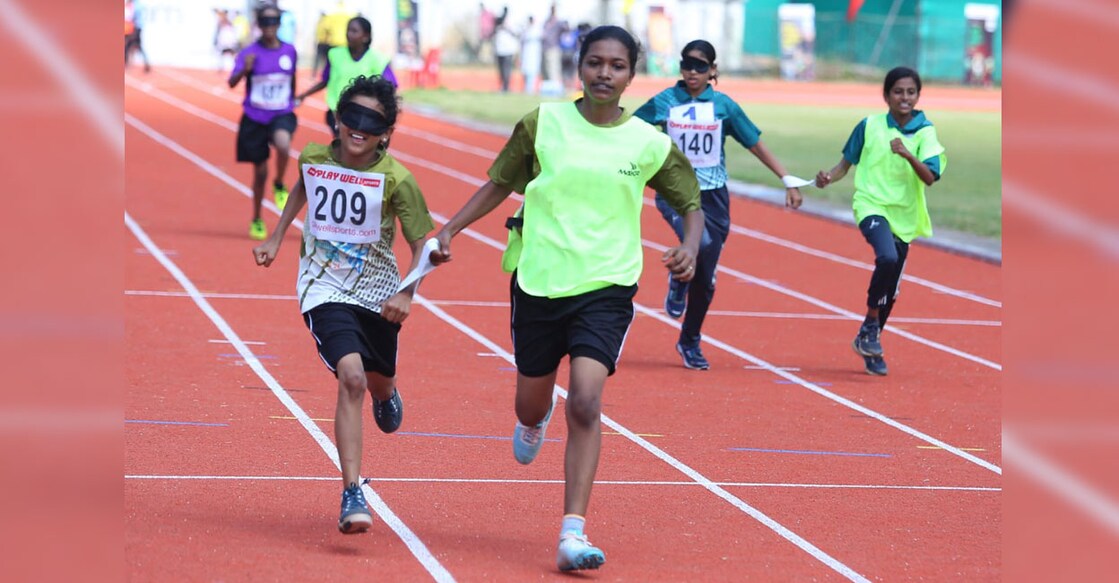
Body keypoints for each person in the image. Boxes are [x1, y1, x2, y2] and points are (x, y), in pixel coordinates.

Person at [429, 25, 703, 572]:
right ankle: (534, 419)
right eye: (595, 63)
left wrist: (690, 245)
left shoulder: (647, 142)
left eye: (617, 65)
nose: (605, 73)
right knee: (532, 403)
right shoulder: (543, 123)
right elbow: (500, 183)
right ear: (579, 67)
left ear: (632, 73)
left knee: (584, 400)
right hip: (539, 279)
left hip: (607, 285)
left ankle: (572, 534)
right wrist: (450, 229)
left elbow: (689, 199)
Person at [253, 75, 436, 533]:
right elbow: (303, 187)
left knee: (376, 379)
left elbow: (423, 245)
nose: (358, 128)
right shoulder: (314, 156)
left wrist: (406, 292)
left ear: (387, 132)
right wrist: (277, 237)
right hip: (322, 287)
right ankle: (352, 491)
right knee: (350, 377)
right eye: (350, 116)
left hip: (378, 292)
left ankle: (387, 392)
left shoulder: (397, 179)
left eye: (371, 122)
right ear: (336, 118)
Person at [634, 40, 803, 370]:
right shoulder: (665, 101)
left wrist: (786, 178)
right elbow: (629, 130)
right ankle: (682, 276)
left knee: (707, 278)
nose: (692, 72)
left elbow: (754, 144)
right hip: (675, 192)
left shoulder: (724, 106)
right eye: (687, 65)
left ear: (712, 70)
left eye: (700, 66)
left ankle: (689, 338)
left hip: (714, 197)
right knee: (700, 244)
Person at [815, 66, 946, 376]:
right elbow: (845, 165)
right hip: (871, 204)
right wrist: (827, 178)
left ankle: (869, 338)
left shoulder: (926, 131)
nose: (904, 97)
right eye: (898, 91)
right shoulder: (869, 125)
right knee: (885, 257)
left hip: (905, 215)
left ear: (917, 96)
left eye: (910, 92)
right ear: (886, 95)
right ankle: (871, 323)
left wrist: (907, 154)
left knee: (892, 288)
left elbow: (930, 177)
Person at [229, 4, 298, 240]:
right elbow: (231, 83)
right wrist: (244, 71)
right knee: (259, 173)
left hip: (281, 112)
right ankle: (257, 217)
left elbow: (291, 79)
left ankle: (279, 182)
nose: (269, 27)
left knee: (283, 145)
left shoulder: (289, 51)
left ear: (279, 24)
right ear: (259, 25)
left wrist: (292, 100)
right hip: (255, 116)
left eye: (273, 22)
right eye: (265, 22)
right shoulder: (249, 53)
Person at [295, 16, 396, 138]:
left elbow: (391, 86)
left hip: (365, 111)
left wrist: (388, 111)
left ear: (366, 37)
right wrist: (304, 94)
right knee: (343, 143)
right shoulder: (335, 54)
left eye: (354, 31)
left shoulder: (378, 59)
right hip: (337, 111)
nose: (349, 34)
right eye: (348, 30)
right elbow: (325, 80)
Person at [491, 15, 518, 93]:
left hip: (508, 52)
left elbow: (516, 34)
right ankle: (503, 86)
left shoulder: (511, 27)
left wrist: (507, 28)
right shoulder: (497, 28)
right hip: (499, 52)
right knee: (501, 71)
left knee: (507, 70)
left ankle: (506, 87)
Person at [124, 0, 151, 73]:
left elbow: (131, 16)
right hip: (136, 28)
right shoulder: (138, 4)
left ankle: (146, 64)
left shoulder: (135, 5)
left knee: (134, 46)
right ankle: (146, 64)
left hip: (136, 28)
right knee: (131, 46)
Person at [519, 16, 542, 95]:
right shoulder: (525, 30)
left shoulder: (537, 31)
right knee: (525, 73)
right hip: (526, 55)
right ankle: (526, 89)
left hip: (534, 55)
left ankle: (530, 90)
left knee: (532, 73)